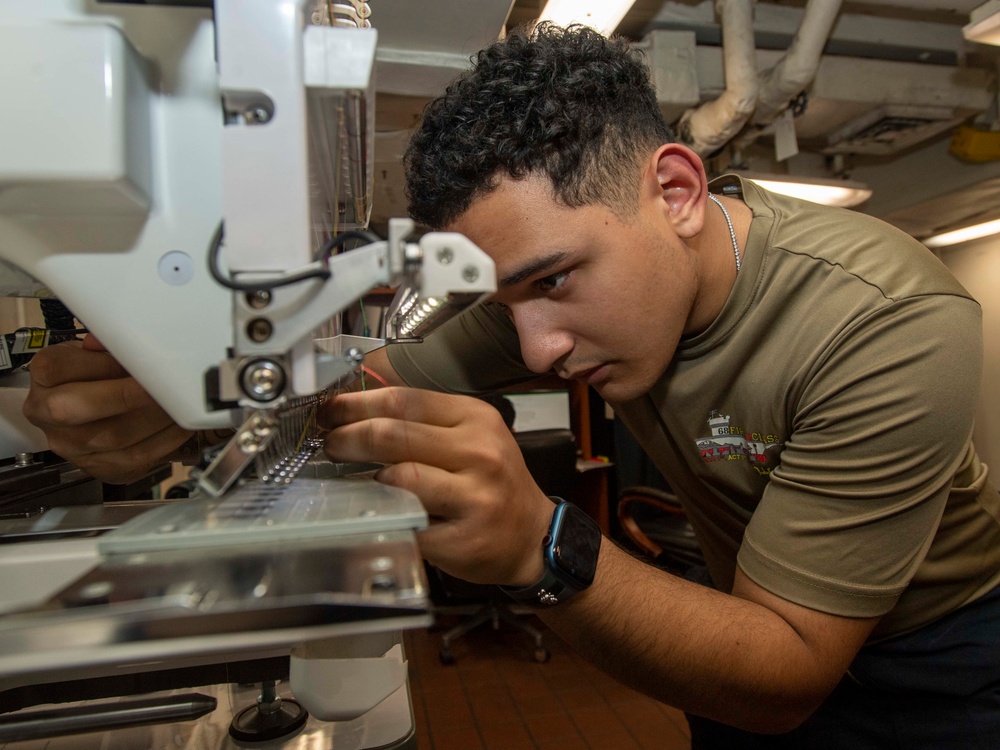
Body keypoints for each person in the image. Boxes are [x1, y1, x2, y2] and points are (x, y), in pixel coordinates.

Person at [23, 23, 1000, 748]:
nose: (533, 351)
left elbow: (785, 674)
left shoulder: (885, 323)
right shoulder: (566, 297)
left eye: (554, 281)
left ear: (675, 193)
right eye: (504, 300)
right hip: (742, 607)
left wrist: (544, 546)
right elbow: (361, 381)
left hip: (938, 656)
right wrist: (189, 392)